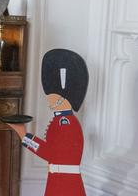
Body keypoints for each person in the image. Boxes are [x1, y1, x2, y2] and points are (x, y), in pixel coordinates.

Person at [7, 49, 88, 196]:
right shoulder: (61, 120)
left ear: (61, 98)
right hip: (59, 179)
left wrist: (24, 136)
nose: (48, 99)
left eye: (51, 96)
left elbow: (51, 153)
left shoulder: (66, 123)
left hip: (65, 183)